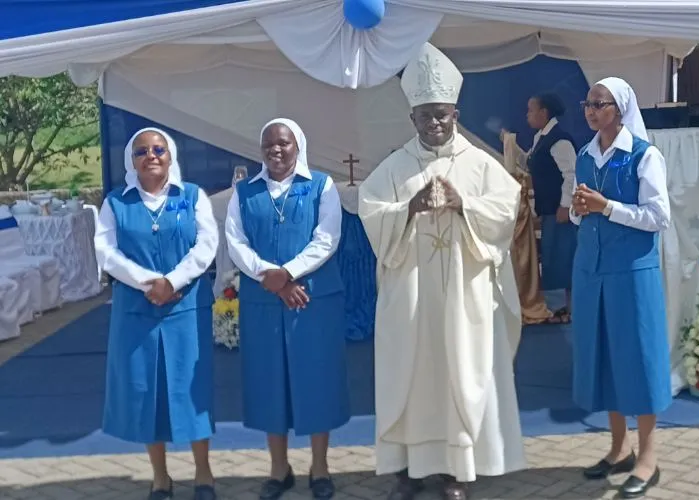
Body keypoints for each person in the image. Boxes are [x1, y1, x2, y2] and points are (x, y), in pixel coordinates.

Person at [358, 43, 526, 500]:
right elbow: (371, 210)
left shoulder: (479, 163)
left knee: (460, 374)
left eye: (442, 114)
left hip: (463, 297)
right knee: (411, 377)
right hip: (412, 298)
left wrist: (463, 203)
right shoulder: (395, 167)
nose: (434, 123)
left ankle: (457, 472)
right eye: (425, 116)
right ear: (412, 118)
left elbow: (507, 208)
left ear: (456, 113)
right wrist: (407, 208)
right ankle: (410, 470)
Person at [225, 118, 349, 500]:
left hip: (311, 299)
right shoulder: (244, 192)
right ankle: (279, 468)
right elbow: (235, 241)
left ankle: (320, 466)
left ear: (299, 146)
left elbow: (327, 237)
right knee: (269, 381)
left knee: (316, 379)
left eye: (283, 143)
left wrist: (289, 273)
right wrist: (271, 277)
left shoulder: (321, 186)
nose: (275, 150)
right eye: (268, 144)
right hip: (264, 301)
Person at [95, 128, 219, 500]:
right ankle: (160, 477)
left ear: (170, 155)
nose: (151, 156)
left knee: (191, 389)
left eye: (158, 149)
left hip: (185, 310)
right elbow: (106, 252)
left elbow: (207, 244)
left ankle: (203, 473)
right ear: (131, 161)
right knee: (147, 390)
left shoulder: (192, 196)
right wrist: (149, 282)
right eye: (141, 151)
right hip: (138, 310)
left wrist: (173, 281)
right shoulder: (115, 203)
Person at [570, 77, 672, 499]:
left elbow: (659, 216)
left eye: (600, 103)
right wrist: (579, 209)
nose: (591, 110)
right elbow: (578, 213)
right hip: (591, 270)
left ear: (621, 108)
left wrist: (606, 207)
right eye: (588, 103)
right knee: (605, 356)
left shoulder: (645, 156)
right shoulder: (584, 155)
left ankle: (648, 456)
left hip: (631, 271)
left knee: (639, 359)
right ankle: (619, 448)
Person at [503, 93, 578, 323]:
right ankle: (561, 307)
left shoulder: (559, 141)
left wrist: (566, 205)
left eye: (531, 110)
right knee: (554, 257)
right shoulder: (541, 138)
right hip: (548, 210)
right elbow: (529, 164)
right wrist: (510, 145)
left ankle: (569, 308)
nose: (527, 115)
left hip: (559, 210)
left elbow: (571, 174)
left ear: (543, 112)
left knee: (563, 257)